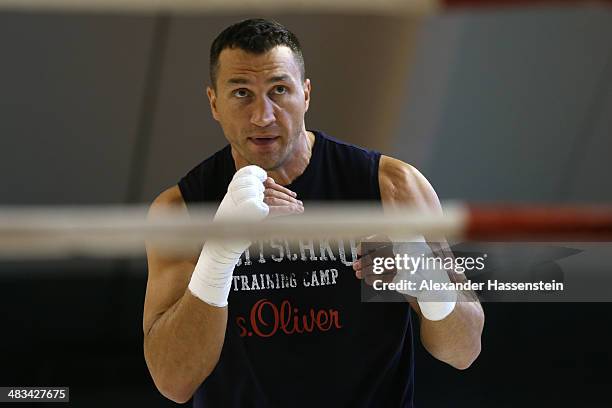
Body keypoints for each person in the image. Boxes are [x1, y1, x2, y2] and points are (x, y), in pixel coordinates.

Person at [143, 18, 484, 407]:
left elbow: (463, 350)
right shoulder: (183, 210)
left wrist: (425, 278)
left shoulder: (392, 187)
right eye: (241, 93)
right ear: (214, 103)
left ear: (305, 94)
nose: (263, 116)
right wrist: (219, 253)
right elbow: (173, 381)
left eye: (279, 90)